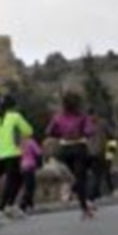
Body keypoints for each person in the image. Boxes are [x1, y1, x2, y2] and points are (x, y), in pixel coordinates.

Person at [46, 91, 96, 220]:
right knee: (81, 179)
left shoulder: (58, 117)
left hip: (64, 149)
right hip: (79, 147)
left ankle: (74, 194)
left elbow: (50, 131)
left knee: (74, 177)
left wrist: (61, 134)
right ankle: (84, 208)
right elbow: (89, 131)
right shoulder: (82, 116)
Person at [0, 95, 33, 219]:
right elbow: (28, 131)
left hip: (1, 154)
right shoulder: (15, 116)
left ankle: (7, 205)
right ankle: (4, 206)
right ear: (13, 106)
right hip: (14, 153)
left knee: (13, 179)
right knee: (15, 180)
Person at [19, 137, 43, 214]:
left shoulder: (16, 142)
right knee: (30, 186)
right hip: (29, 166)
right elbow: (38, 152)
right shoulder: (30, 141)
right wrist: (40, 164)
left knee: (24, 186)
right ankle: (24, 204)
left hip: (19, 166)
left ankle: (30, 204)